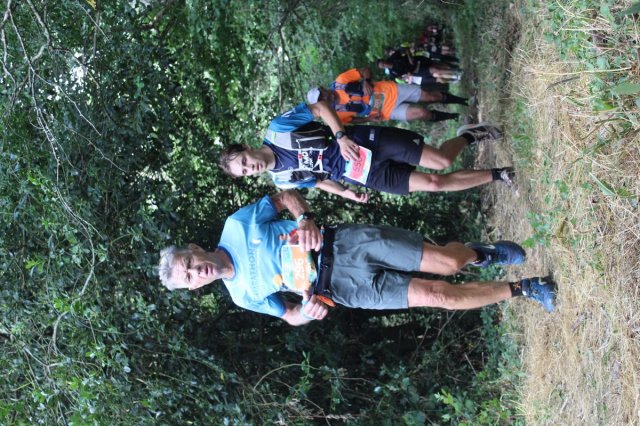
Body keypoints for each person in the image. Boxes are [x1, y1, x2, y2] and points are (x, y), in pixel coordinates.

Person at [157, 190, 558, 326]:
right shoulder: (242, 295)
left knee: (449, 264)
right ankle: (525, 288)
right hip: (342, 288)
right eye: (189, 277)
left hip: (344, 245)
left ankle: (478, 254)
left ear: (194, 248)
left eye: (189, 263)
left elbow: (285, 197)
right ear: (194, 288)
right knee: (438, 296)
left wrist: (305, 218)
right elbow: (290, 315)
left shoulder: (236, 226)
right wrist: (307, 312)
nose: (196, 271)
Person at [218, 100, 515, 203]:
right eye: (244, 172)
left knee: (442, 160)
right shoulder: (282, 181)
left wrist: (340, 137)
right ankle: (501, 174)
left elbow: (320, 108)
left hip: (362, 142)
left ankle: (470, 135)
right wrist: (348, 193)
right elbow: (318, 181)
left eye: (244, 161)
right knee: (433, 183)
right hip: (360, 174)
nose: (249, 167)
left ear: (246, 148)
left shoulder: (277, 129)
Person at [306, 67, 466, 124]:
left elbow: (365, 70)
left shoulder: (341, 81)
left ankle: (463, 101)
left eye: (322, 94)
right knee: (422, 113)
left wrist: (366, 81)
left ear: (323, 89)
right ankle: (454, 117)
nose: (325, 98)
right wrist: (368, 119)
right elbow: (352, 120)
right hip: (384, 111)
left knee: (430, 96)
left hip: (391, 90)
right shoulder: (335, 115)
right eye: (321, 101)